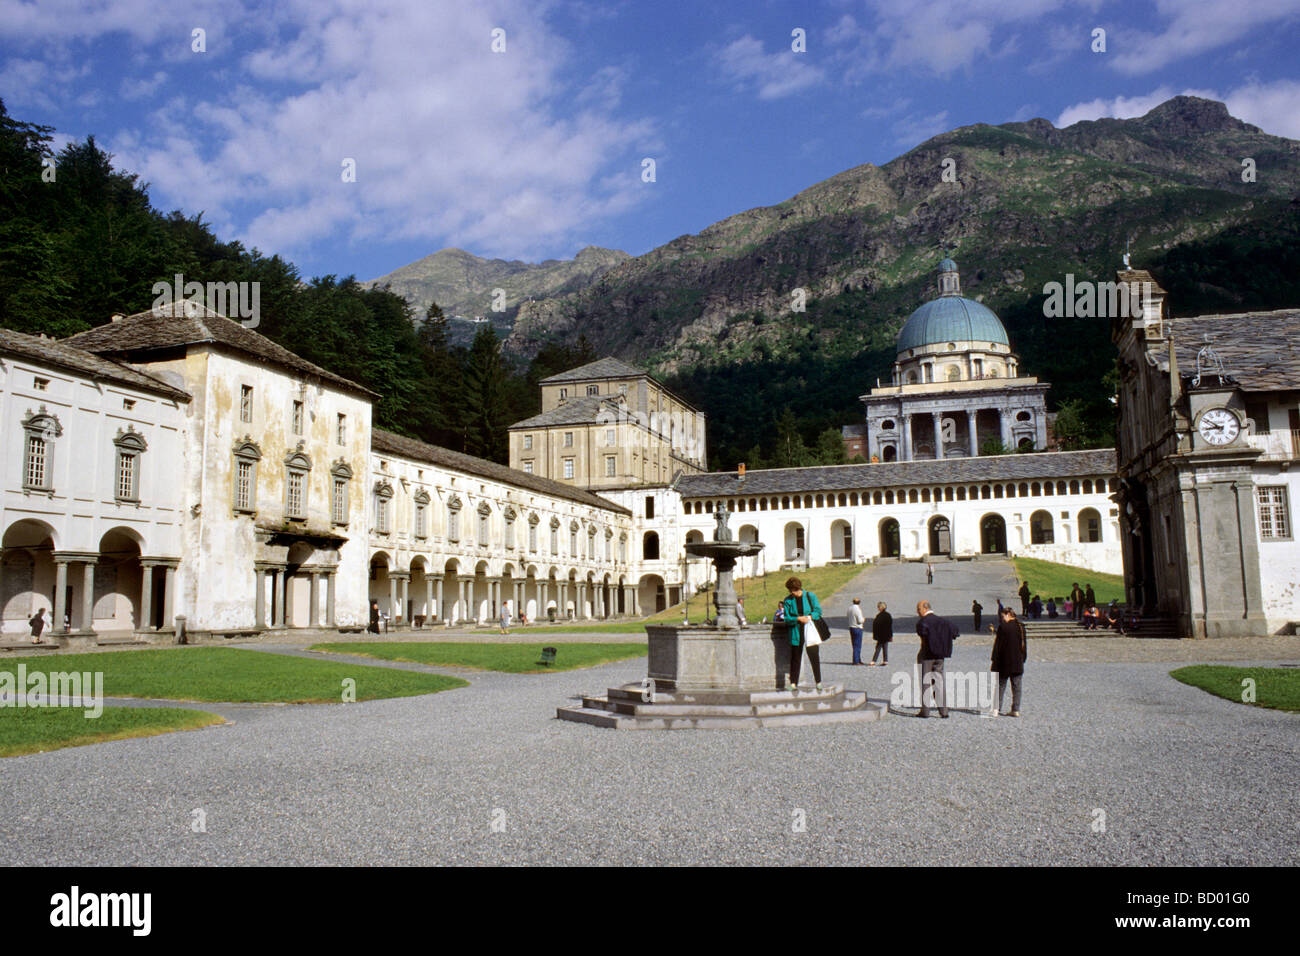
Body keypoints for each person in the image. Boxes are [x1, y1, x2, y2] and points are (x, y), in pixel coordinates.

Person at [915, 600, 957, 718]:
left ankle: (925, 711)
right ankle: (944, 711)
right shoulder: (944, 621)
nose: (917, 612)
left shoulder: (923, 622)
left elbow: (922, 634)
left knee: (925, 683)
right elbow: (955, 632)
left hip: (926, 655)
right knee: (939, 682)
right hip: (940, 656)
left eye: (918, 609)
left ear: (925, 608)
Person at [782, 577, 825, 691]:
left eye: (794, 590)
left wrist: (809, 617)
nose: (792, 593)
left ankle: (818, 681)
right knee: (795, 657)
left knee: (814, 656)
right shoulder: (788, 600)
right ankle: (793, 683)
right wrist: (797, 618)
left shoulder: (810, 596)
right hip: (796, 630)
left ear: (798, 588)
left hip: (810, 629)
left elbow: (818, 611)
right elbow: (786, 618)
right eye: (790, 590)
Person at [990, 606, 1026, 717]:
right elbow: (1024, 645)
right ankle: (1015, 709)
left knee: (1000, 686)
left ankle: (996, 709)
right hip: (1017, 661)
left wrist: (994, 659)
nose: (1002, 619)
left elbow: (998, 646)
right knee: (1017, 687)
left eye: (1002, 616)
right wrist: (1023, 658)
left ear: (1007, 614)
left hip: (1004, 662)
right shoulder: (1021, 627)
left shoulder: (1003, 627)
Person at [847, 598, 866, 665]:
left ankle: (858, 659)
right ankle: (856, 660)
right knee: (857, 645)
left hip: (851, 627)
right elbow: (860, 620)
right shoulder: (857, 609)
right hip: (857, 628)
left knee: (854, 644)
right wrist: (864, 619)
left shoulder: (849, 608)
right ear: (859, 602)